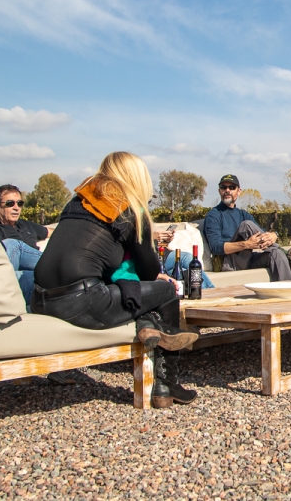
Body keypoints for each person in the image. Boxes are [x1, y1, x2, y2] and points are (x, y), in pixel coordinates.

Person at [32, 152, 199, 407]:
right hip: (82, 303)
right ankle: (166, 384)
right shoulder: (129, 206)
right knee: (164, 291)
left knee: (137, 292)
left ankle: (148, 326)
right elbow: (148, 271)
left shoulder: (79, 201)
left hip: (40, 300)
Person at [202, 174, 291, 280]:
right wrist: (246, 244)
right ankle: (290, 256)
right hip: (227, 262)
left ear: (239, 191)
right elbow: (215, 247)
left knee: (277, 254)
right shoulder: (214, 215)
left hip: (247, 258)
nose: (227, 190)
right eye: (223, 187)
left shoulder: (243, 214)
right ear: (219, 191)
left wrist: (273, 235)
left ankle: (288, 293)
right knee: (246, 225)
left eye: (232, 187)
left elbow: (262, 233)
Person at [0, 184, 50, 307]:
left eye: (19, 203)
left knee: (48, 282)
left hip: (33, 277)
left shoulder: (25, 225)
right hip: (8, 279)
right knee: (13, 245)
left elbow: (52, 232)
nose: (16, 208)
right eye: (10, 203)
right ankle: (57, 268)